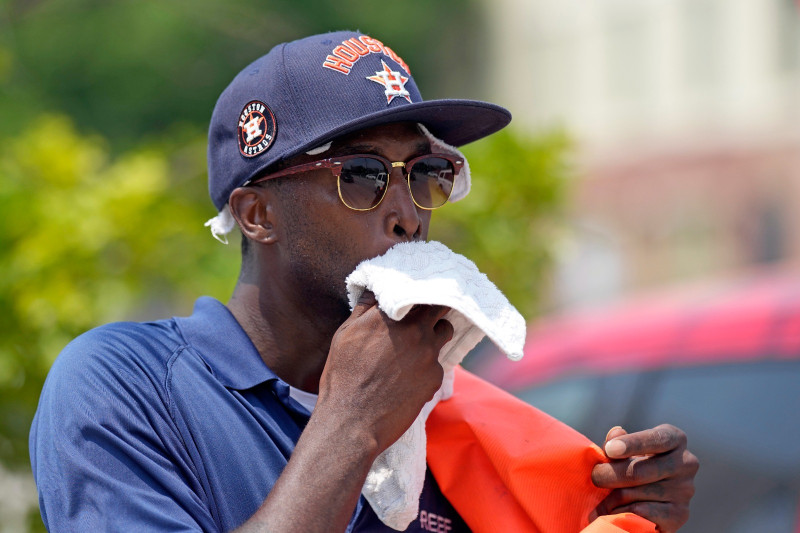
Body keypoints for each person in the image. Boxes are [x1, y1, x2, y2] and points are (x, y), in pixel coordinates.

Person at [29, 31, 698, 532]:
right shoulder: (124, 385)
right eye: (363, 176)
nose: (407, 214)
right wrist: (348, 425)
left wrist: (599, 507)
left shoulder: (445, 410)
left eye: (426, 174)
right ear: (258, 213)